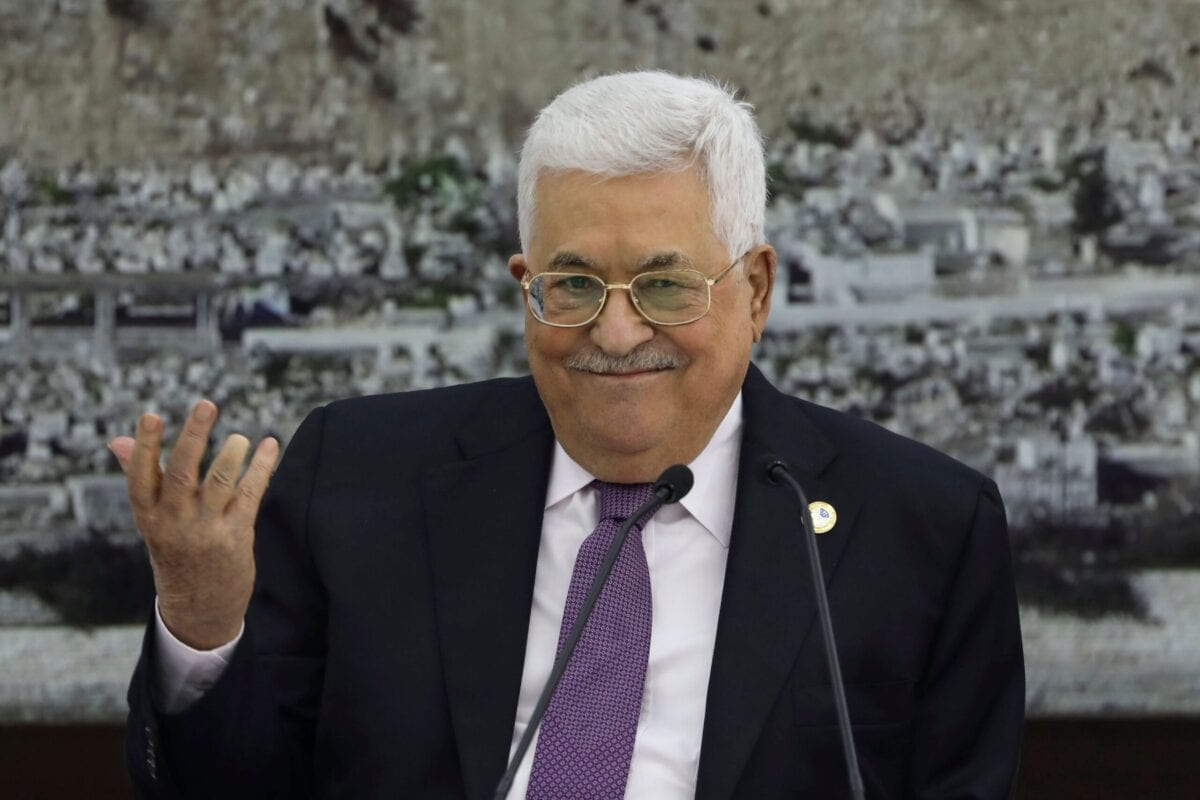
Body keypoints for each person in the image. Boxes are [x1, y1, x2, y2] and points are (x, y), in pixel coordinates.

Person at [111, 71, 1024, 799]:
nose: (616, 334)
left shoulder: (921, 528)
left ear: (755, 291)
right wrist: (203, 620)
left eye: (666, 287)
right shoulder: (357, 477)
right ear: (525, 283)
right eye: (574, 285)